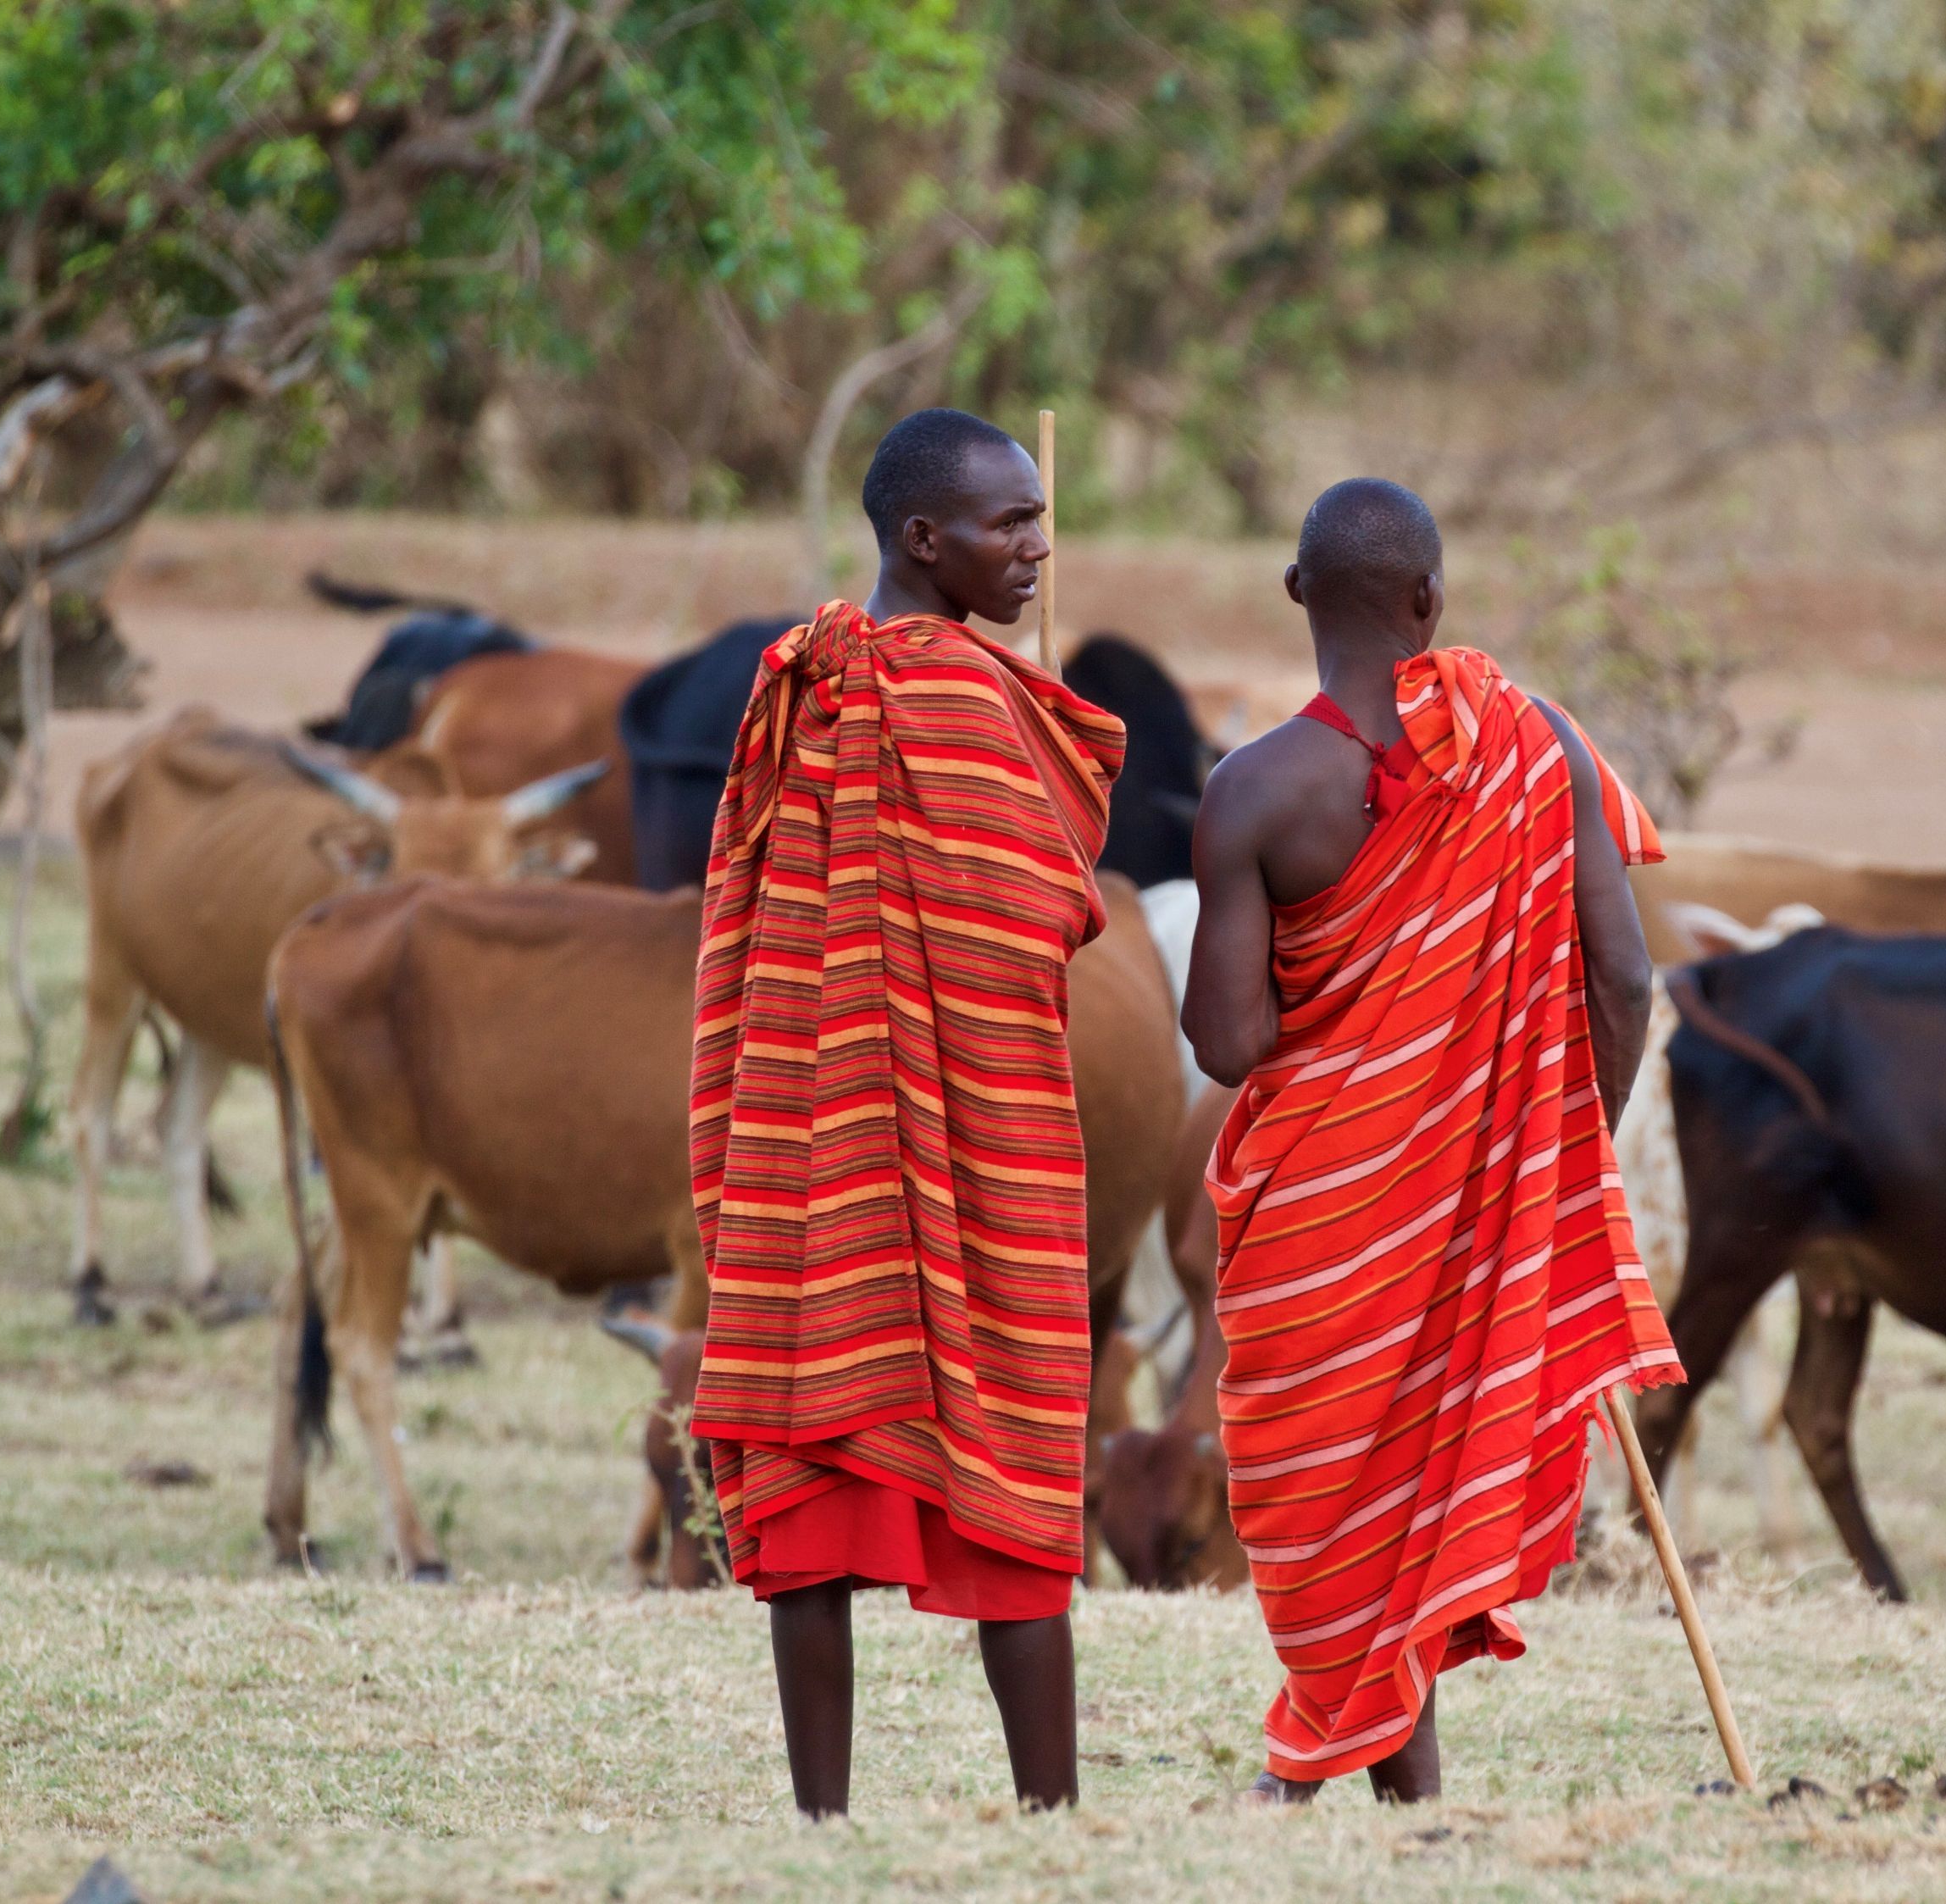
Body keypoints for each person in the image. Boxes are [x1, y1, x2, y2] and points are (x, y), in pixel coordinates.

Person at [1183, 477, 1683, 1802]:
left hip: (1317, 1210)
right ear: (1429, 600)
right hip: (1483, 1197)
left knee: (1320, 1488)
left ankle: (1317, 1774)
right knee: (1420, 1473)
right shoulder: (1538, 747)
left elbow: (1227, 1045)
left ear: (1296, 593)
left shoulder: (1251, 790)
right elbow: (1624, 980)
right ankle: (1391, 1793)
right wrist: (1558, 1152)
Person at [685, 408, 1123, 1818]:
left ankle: (823, 1825)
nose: (1037, 548)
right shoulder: (959, 700)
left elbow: (740, 912)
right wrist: (1043, 754)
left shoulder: (800, 686)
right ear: (924, 540)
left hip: (809, 1141)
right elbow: (1039, 919)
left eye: (1040, 520)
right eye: (1011, 525)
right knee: (1010, 1471)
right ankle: (1049, 1821)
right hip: (976, 1143)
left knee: (813, 1449)